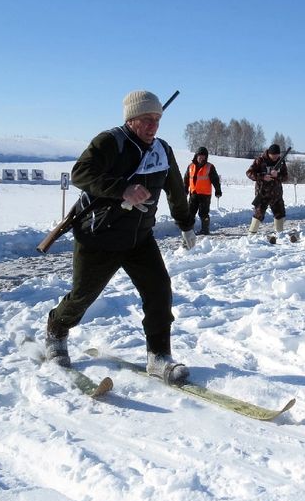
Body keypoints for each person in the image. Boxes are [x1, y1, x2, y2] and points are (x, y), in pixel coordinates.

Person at [44, 90, 195, 385]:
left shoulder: (162, 150)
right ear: (130, 119)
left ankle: (159, 356)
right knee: (82, 296)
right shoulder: (109, 142)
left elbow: (176, 188)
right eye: (146, 120)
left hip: (139, 238)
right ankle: (56, 330)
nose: (153, 126)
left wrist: (185, 223)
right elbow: (80, 173)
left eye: (157, 119)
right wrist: (122, 188)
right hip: (99, 237)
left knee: (159, 291)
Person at [246, 144, 289, 234]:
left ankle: (280, 235)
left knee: (280, 214)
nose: (275, 157)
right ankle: (251, 236)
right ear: (269, 153)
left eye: (277, 155)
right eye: (273, 156)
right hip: (262, 193)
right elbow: (249, 173)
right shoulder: (260, 160)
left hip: (276, 194)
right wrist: (262, 177)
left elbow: (285, 177)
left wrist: (278, 176)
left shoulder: (281, 162)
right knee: (258, 215)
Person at [184, 146, 222, 235]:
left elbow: (215, 180)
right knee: (190, 213)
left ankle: (205, 230)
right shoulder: (190, 166)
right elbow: (186, 180)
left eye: (203, 156)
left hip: (205, 194)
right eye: (200, 155)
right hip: (193, 193)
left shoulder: (210, 167)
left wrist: (218, 190)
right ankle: (189, 230)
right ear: (196, 156)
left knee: (203, 213)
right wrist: (185, 190)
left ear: (206, 157)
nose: (201, 157)